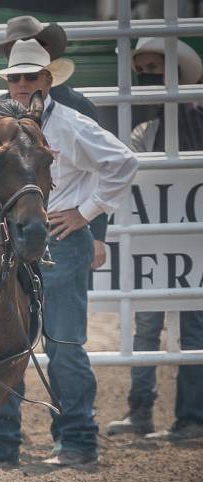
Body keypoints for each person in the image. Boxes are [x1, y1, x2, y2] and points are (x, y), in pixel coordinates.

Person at [0, 40, 138, 467]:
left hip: (58, 240)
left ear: (47, 80)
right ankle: (4, 440)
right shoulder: (6, 124)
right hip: (18, 238)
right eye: (15, 77)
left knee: (63, 343)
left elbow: (123, 162)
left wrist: (86, 212)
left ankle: (77, 440)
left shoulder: (70, 124)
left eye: (30, 76)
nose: (22, 83)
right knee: (6, 342)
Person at [106, 38, 203, 441]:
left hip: (192, 242)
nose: (147, 76)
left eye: (154, 68)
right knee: (147, 325)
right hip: (153, 241)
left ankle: (191, 418)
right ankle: (142, 411)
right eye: (142, 70)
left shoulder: (192, 119)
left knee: (193, 327)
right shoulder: (146, 131)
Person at [0, 15, 110, 271]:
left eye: (31, 45)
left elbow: (101, 167)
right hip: (13, 225)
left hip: (62, 229)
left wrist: (94, 230)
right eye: (15, 50)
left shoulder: (76, 108)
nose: (22, 81)